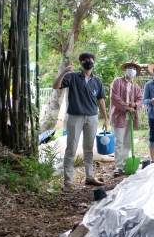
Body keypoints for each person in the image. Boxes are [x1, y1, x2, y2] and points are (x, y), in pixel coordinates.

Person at [53, 52, 108, 191]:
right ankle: (68, 181)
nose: (88, 61)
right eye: (84, 60)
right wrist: (64, 71)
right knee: (71, 147)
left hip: (92, 117)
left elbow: (101, 100)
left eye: (90, 59)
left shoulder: (97, 81)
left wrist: (106, 118)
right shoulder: (72, 77)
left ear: (94, 62)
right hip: (75, 116)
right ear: (81, 63)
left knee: (88, 148)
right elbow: (56, 86)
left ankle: (89, 177)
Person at [110, 60, 143, 177]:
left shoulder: (136, 86)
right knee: (119, 141)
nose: (132, 70)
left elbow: (140, 99)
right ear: (125, 69)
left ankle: (125, 163)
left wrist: (135, 105)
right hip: (119, 116)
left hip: (131, 117)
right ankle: (118, 166)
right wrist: (126, 107)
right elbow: (114, 98)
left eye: (134, 69)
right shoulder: (117, 82)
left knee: (127, 142)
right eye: (129, 68)